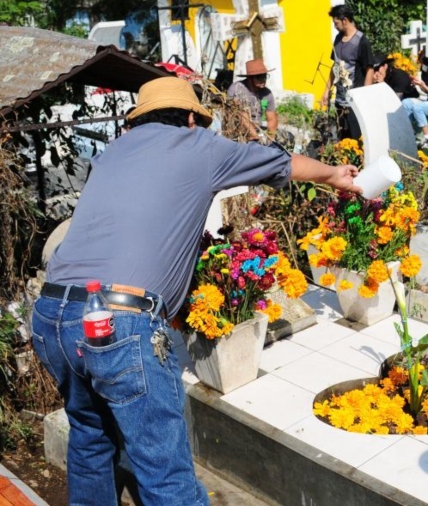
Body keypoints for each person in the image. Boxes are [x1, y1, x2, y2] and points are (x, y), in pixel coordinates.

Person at [30, 77, 361, 506]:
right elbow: (281, 163)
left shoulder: (112, 153)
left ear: (139, 118)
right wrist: (334, 174)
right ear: (190, 118)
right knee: (164, 473)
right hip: (119, 322)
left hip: (52, 314)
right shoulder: (197, 145)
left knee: (91, 439)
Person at [322, 4, 374, 141]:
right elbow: (335, 66)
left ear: (344, 20)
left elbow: (369, 70)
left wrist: (365, 96)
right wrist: (326, 90)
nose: (335, 26)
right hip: (340, 100)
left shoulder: (362, 41)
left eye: (336, 23)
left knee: (356, 140)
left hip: (355, 102)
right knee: (341, 139)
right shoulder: (338, 39)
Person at [226, 58, 277, 140]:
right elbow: (242, 116)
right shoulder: (237, 88)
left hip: (257, 131)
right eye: (259, 77)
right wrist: (256, 137)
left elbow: (272, 118)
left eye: (264, 76)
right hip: (237, 133)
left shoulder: (267, 94)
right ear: (250, 78)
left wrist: (271, 138)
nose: (263, 80)